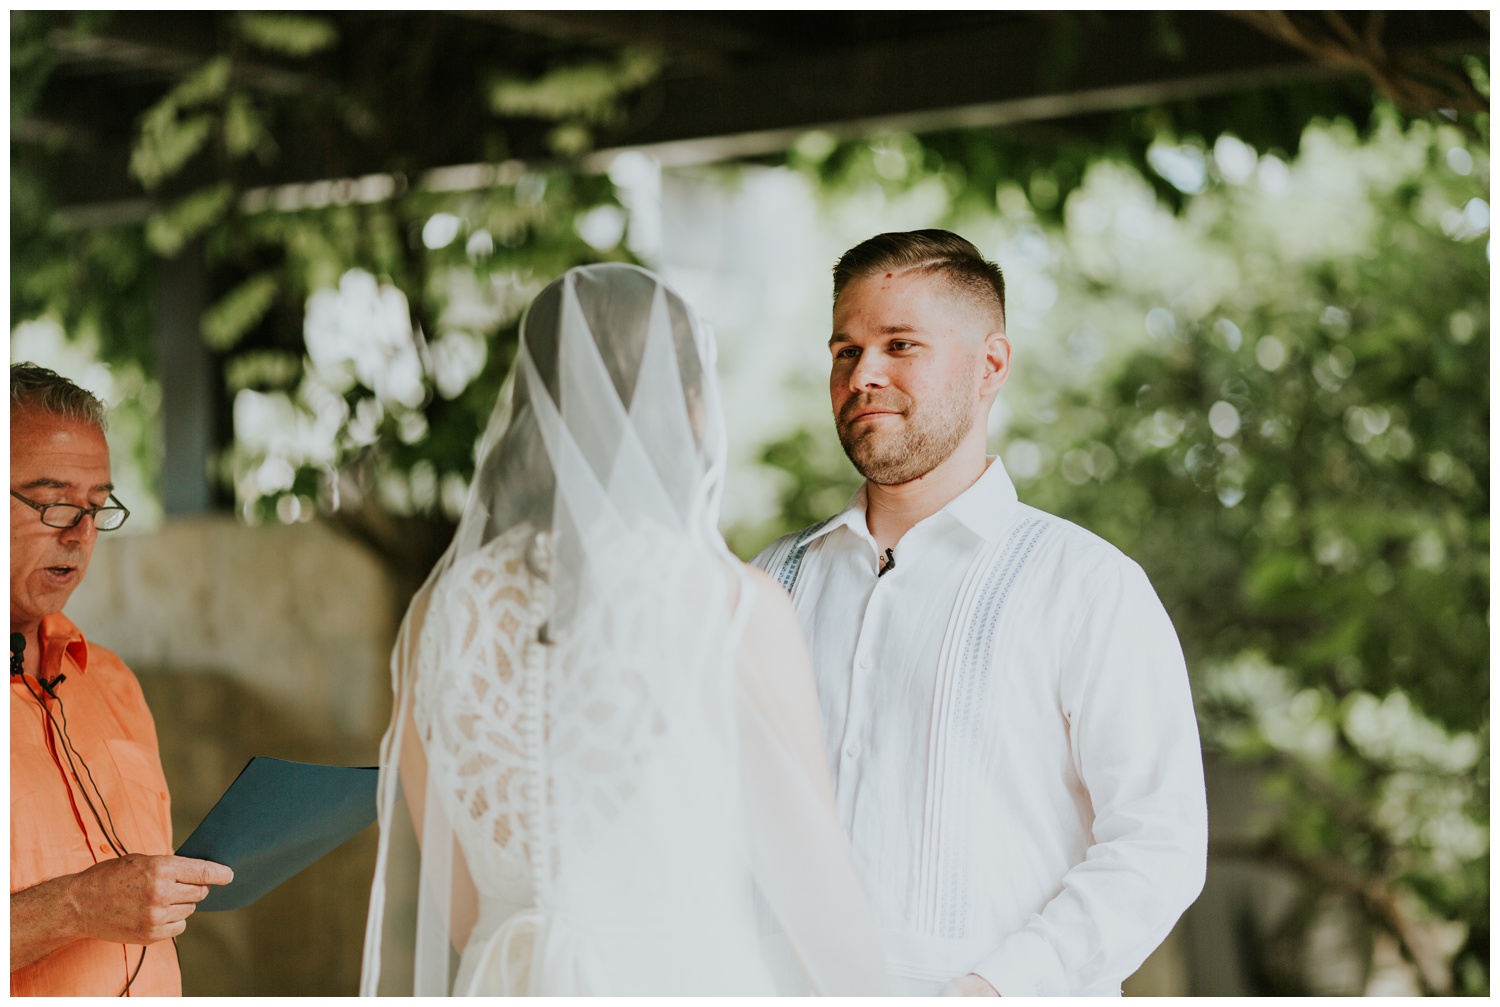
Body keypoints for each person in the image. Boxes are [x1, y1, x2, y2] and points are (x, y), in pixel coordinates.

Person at [359, 264, 888, 995]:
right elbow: (821, 913)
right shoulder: (732, 607)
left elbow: (458, 900)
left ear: (532, 403)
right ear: (690, 409)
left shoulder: (438, 615)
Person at [753, 230, 1209, 996]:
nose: (864, 374)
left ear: (990, 364)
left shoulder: (1088, 585)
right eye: (844, 351)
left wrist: (991, 989)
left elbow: (1157, 845)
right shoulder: (771, 582)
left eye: (900, 344)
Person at [9, 363, 233, 996]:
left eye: (96, 507)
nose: (80, 534)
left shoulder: (112, 681)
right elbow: (88, 901)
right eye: (53, 503)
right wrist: (76, 907)